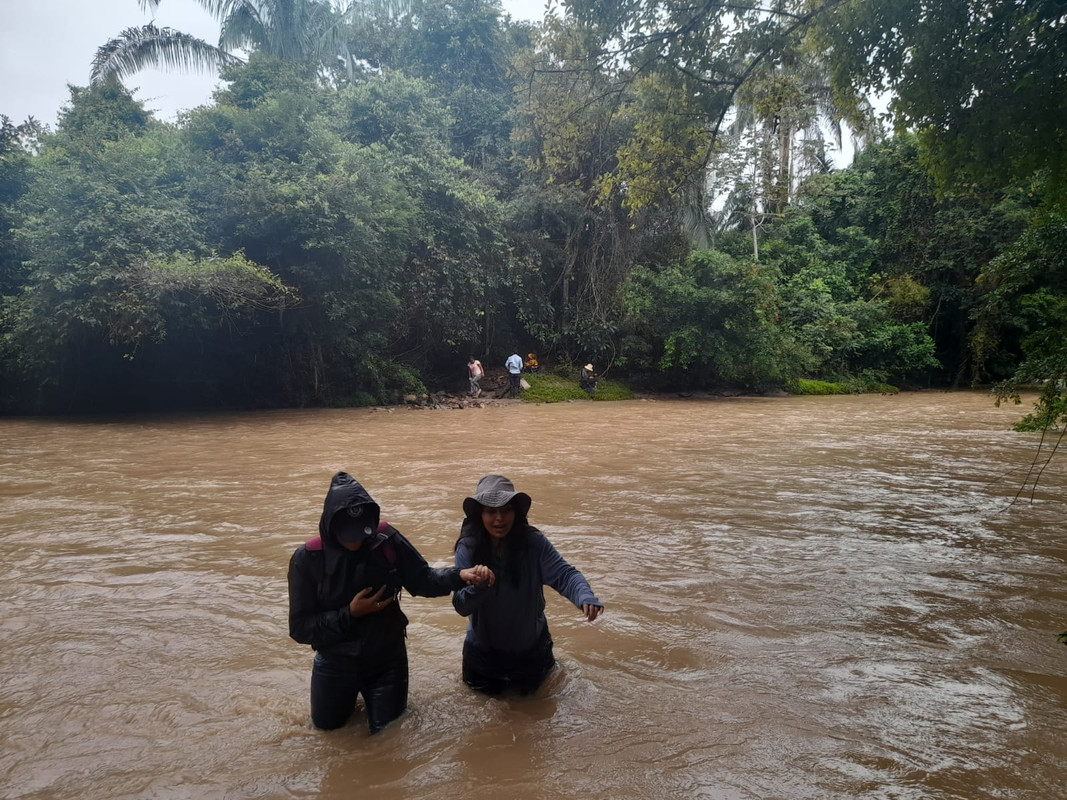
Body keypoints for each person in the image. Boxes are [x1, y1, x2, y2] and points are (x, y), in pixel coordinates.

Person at [288, 471, 494, 733]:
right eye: (348, 535)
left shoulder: (386, 541)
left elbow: (423, 580)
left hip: (386, 661)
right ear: (330, 527)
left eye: (361, 533)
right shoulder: (308, 559)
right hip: (335, 664)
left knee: (388, 738)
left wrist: (460, 576)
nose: (355, 541)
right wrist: (350, 613)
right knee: (327, 734)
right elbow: (300, 628)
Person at [452, 475, 603, 695]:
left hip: (531, 655)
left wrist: (584, 596)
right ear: (479, 515)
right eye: (491, 512)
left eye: (506, 510)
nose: (499, 519)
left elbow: (565, 575)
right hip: (483, 659)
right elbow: (460, 605)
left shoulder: (533, 543)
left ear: (516, 513)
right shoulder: (468, 548)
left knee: (537, 721)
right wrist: (479, 586)